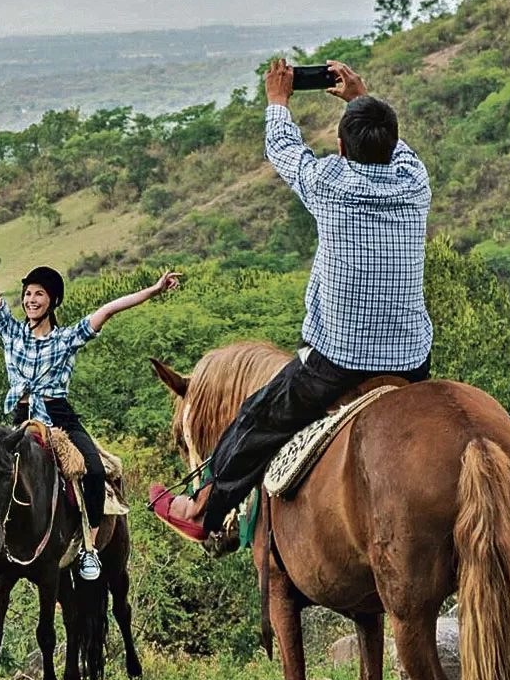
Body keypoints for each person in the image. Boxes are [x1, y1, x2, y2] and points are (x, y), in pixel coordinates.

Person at [151, 59, 434, 539]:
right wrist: (361, 98)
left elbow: (284, 149)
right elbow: (392, 146)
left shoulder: (330, 183)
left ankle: (203, 511)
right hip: (412, 358)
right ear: (392, 143)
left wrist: (278, 101)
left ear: (341, 148)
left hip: (338, 360)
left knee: (256, 417)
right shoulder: (415, 180)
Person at [0, 226, 180, 579]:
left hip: (58, 420)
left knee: (95, 471)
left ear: (52, 301)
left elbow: (109, 309)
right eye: (27, 294)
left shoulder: (67, 338)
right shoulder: (10, 331)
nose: (30, 300)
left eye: (39, 294)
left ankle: (88, 548)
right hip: (21, 422)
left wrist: (154, 289)